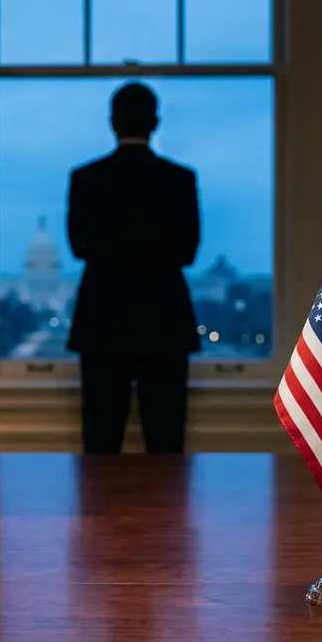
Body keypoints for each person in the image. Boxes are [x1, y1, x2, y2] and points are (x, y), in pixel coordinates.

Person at [66, 81, 201, 454]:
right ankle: (171, 516)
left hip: (102, 321)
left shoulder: (86, 179)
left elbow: (79, 248)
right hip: (165, 321)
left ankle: (96, 516)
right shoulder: (180, 179)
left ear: (113, 122)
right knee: (166, 443)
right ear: (155, 122)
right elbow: (187, 252)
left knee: (100, 443)